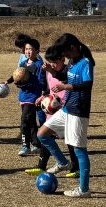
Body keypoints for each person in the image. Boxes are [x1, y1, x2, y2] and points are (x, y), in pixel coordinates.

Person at [36, 33, 95, 198]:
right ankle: (63, 162)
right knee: (42, 134)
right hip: (67, 109)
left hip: (79, 110)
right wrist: (52, 72)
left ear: (72, 48)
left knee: (79, 150)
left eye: (65, 52)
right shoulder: (72, 61)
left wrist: (65, 87)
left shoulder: (85, 62)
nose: (64, 56)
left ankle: (84, 190)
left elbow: (87, 84)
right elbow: (66, 77)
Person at [25, 46, 79, 178]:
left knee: (70, 139)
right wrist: (44, 97)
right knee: (45, 136)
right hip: (52, 111)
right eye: (50, 62)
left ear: (62, 59)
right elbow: (50, 89)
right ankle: (41, 166)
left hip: (66, 110)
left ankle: (75, 168)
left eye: (55, 62)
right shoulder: (50, 72)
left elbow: (69, 86)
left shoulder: (68, 71)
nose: (53, 65)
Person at [11, 38, 44, 156]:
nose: (28, 52)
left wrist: (27, 83)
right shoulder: (22, 64)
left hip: (33, 97)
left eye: (31, 49)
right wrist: (15, 82)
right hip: (23, 96)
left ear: (37, 51)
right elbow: (16, 76)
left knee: (24, 121)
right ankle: (36, 144)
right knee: (30, 122)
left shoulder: (39, 65)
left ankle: (25, 146)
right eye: (26, 49)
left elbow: (41, 82)